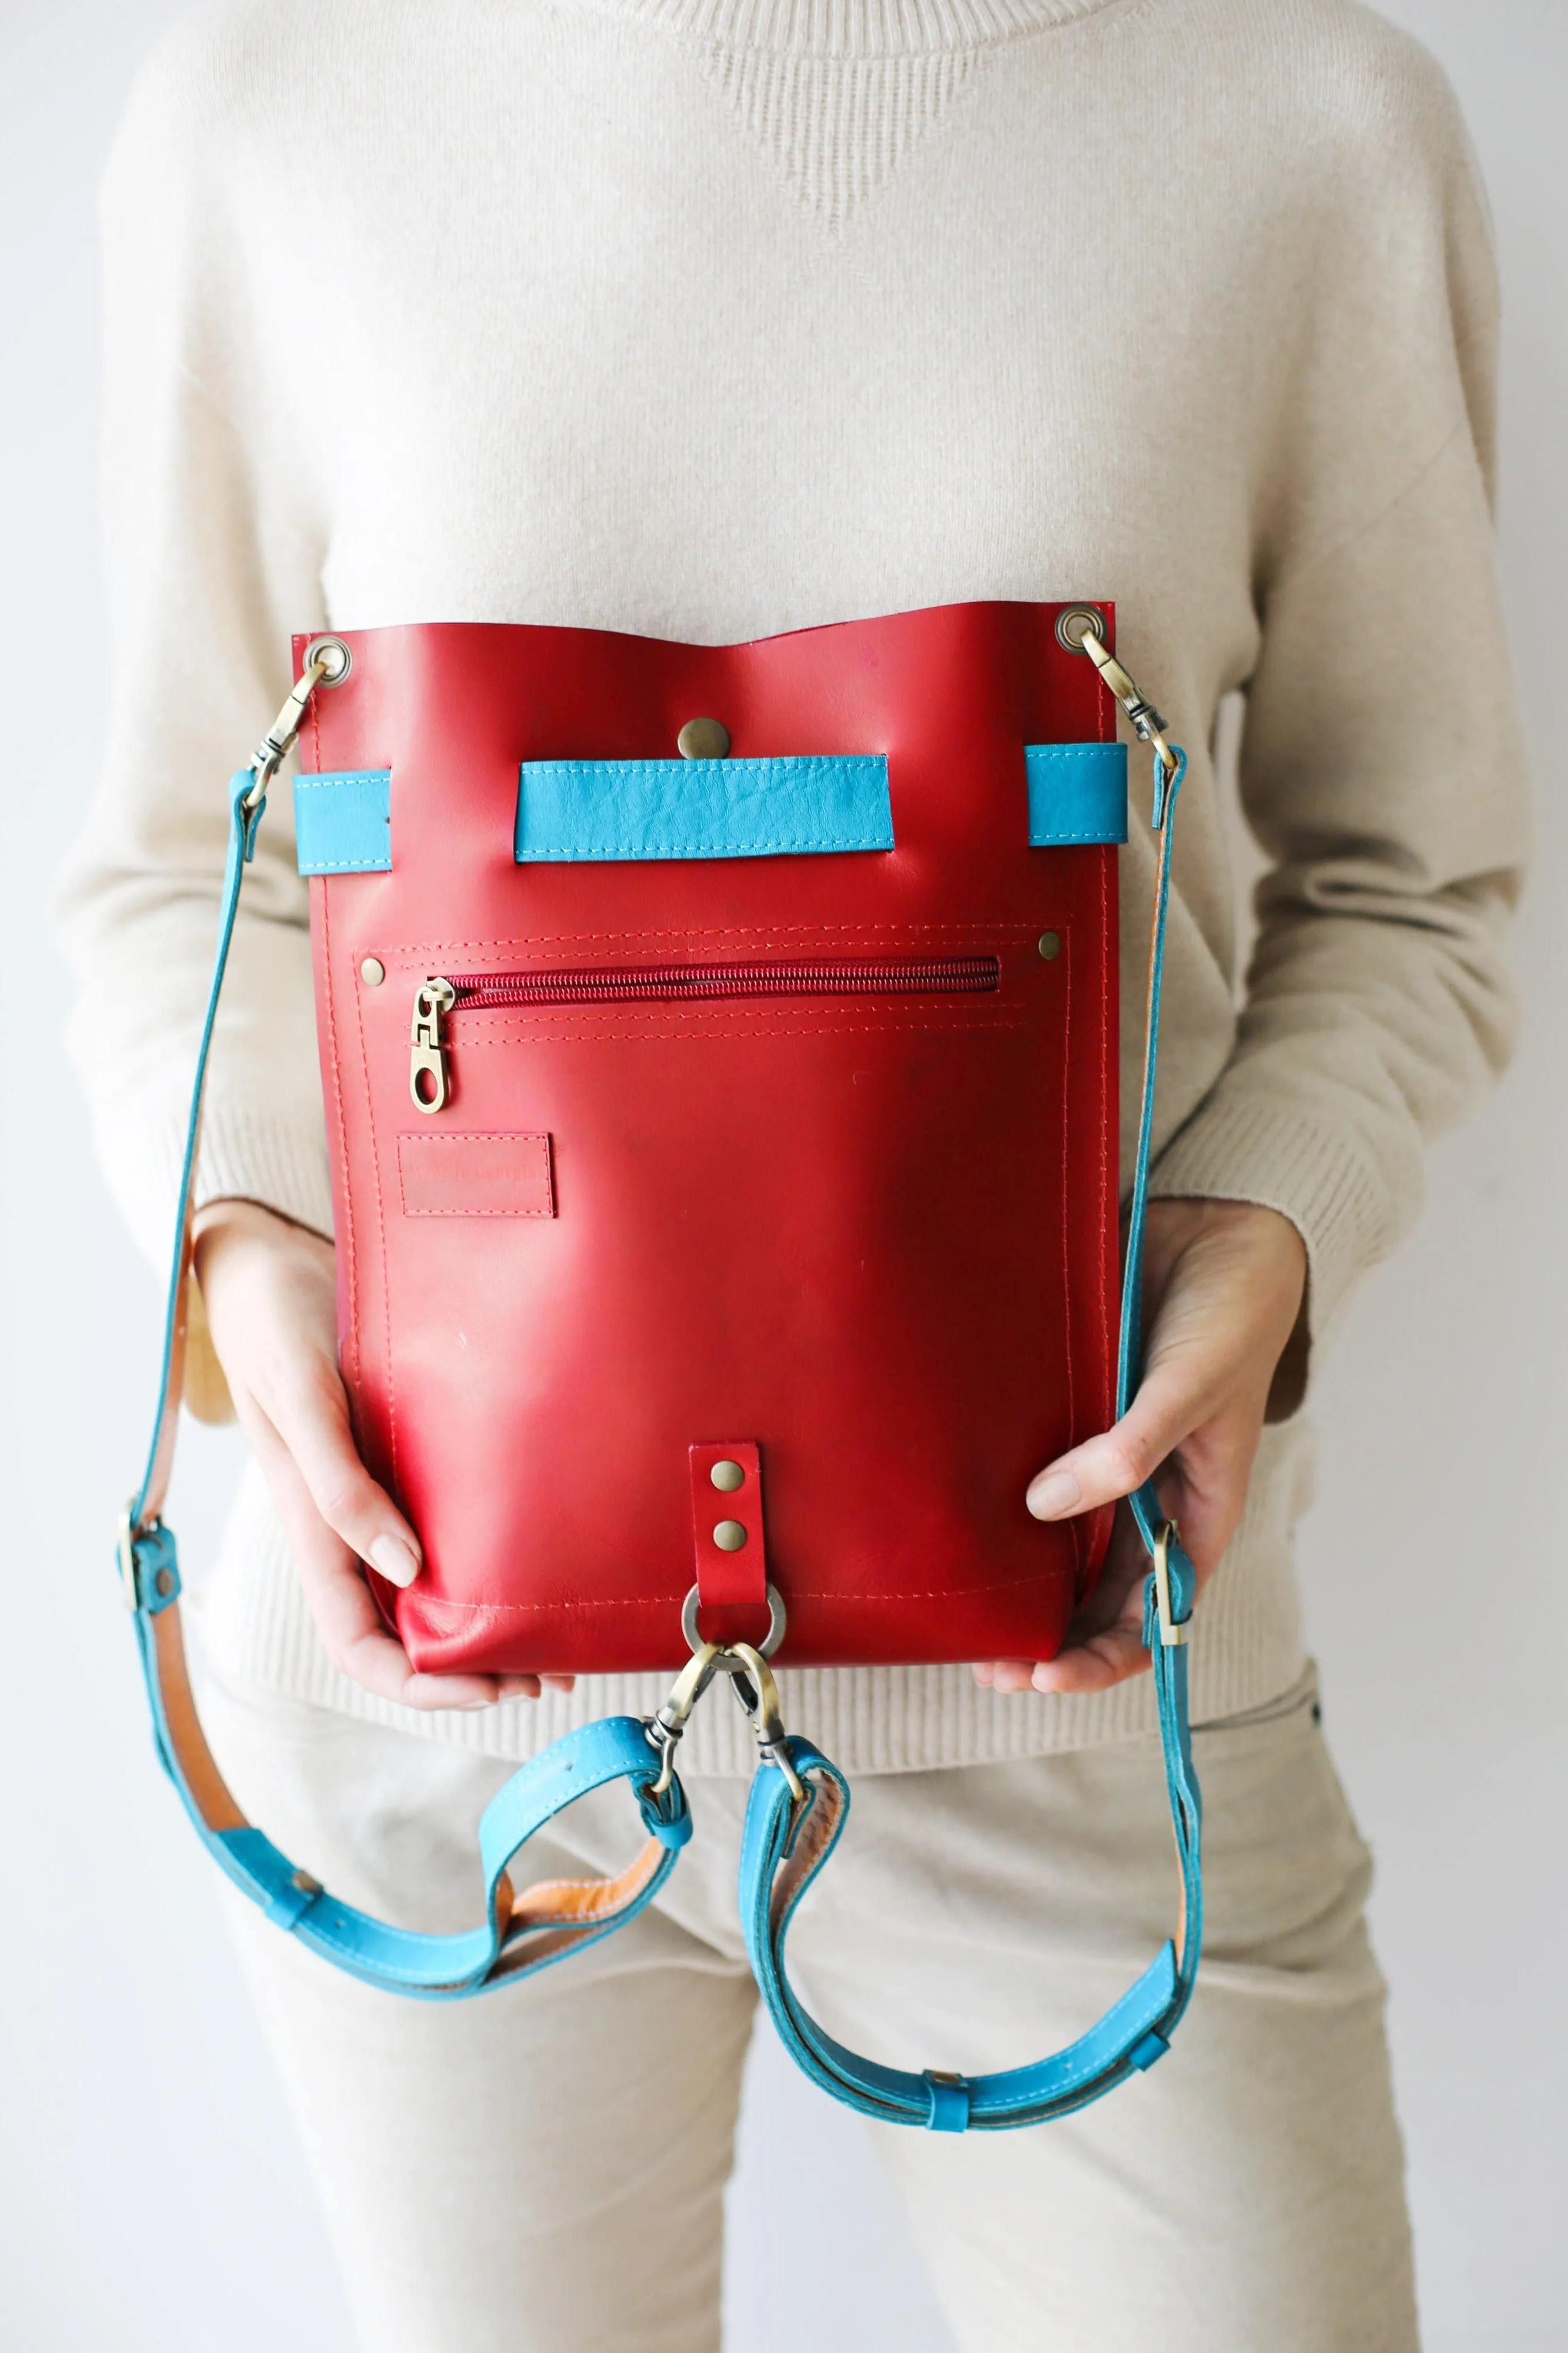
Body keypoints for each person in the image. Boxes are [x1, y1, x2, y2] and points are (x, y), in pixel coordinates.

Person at [60, 1, 1527, 2347]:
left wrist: (1264, 1244)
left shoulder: (1304, 124)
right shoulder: (275, 115)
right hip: (433, 1713)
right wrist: (251, 1282)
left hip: (1092, 1669)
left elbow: (1416, 882)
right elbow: (177, 877)